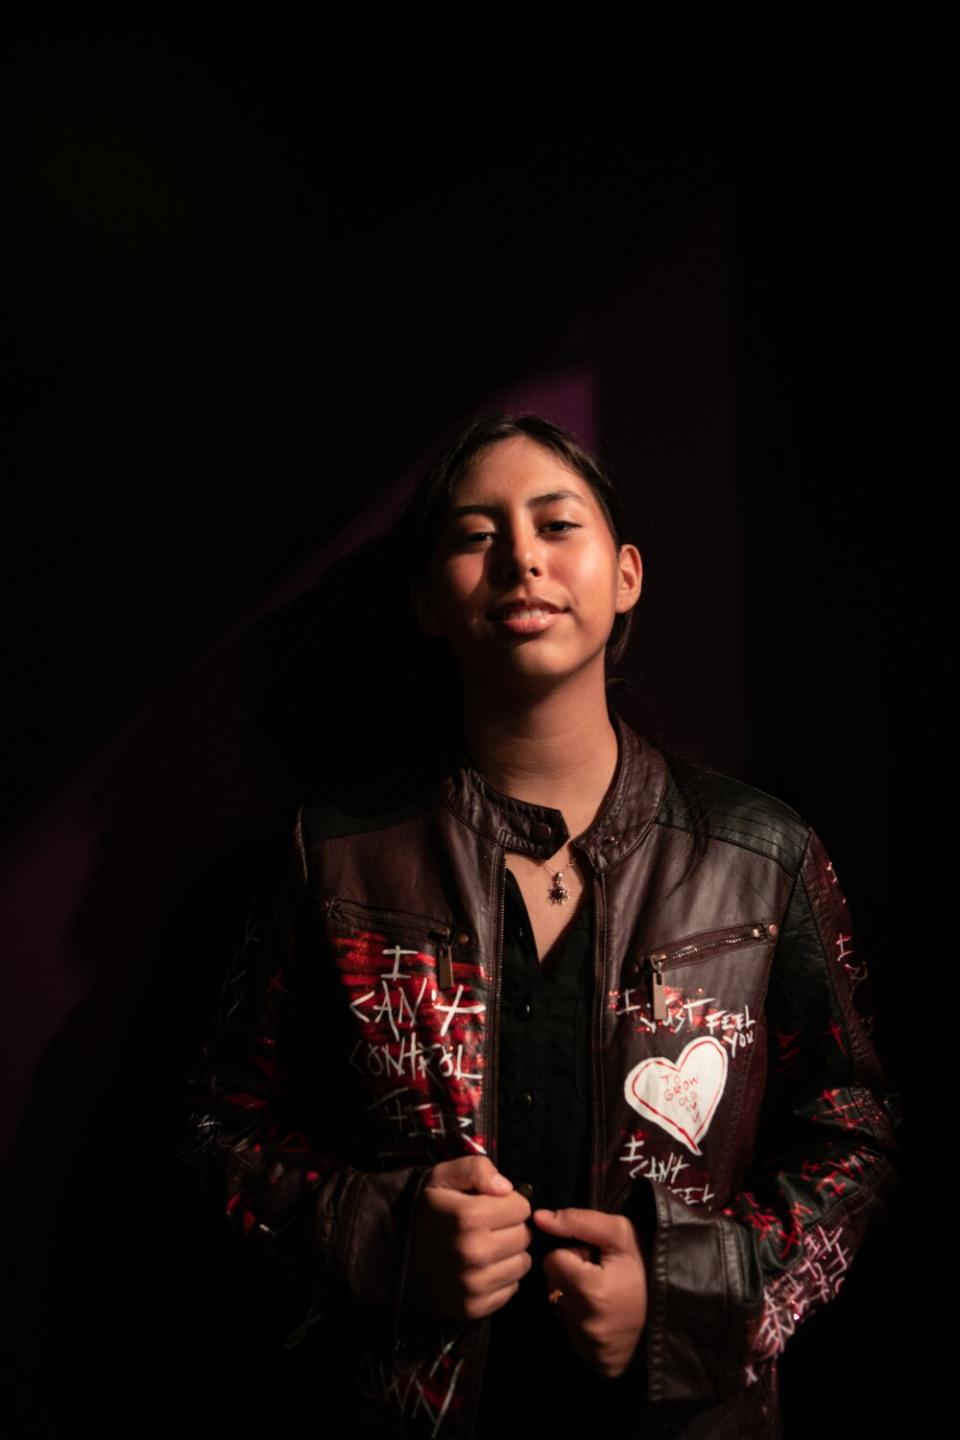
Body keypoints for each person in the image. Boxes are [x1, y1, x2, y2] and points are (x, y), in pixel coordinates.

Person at [187, 414, 897, 1438]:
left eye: (557, 524)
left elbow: (856, 1128)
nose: (521, 554)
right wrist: (383, 1241)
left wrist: (684, 1297)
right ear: (430, 601)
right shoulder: (332, 855)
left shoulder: (763, 856)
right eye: (476, 534)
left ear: (628, 576)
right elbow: (219, 1132)